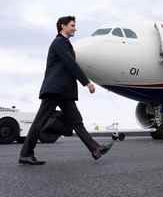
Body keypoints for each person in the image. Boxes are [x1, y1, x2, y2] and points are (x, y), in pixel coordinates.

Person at [18, 16, 113, 165]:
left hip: (64, 91)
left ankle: (95, 149)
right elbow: (70, 64)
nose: (75, 28)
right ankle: (25, 154)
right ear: (62, 26)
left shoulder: (65, 43)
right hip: (55, 89)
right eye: (72, 25)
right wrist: (86, 82)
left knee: (76, 121)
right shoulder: (59, 43)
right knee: (39, 122)